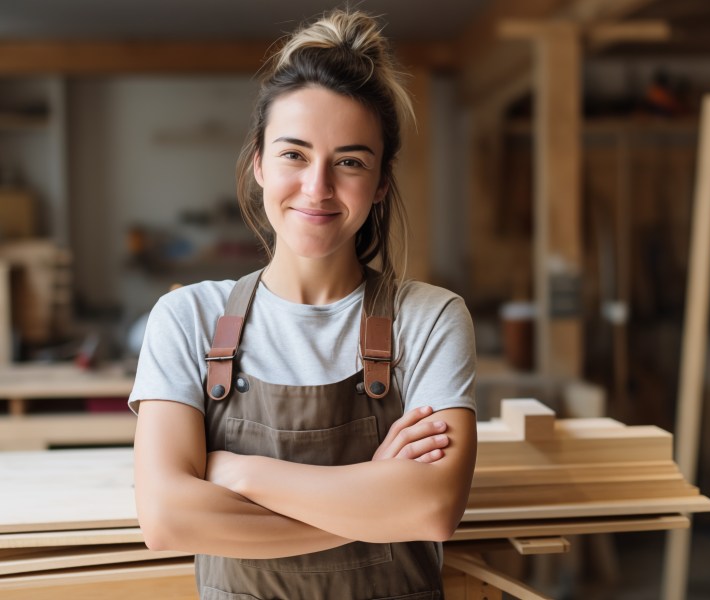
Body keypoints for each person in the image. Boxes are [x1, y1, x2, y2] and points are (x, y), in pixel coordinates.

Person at [130, 9, 477, 600]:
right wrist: (370, 494)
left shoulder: (432, 319)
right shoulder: (187, 318)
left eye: (349, 161)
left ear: (381, 183)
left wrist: (236, 471)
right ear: (259, 163)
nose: (317, 187)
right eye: (294, 154)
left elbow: (431, 509)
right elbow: (168, 519)